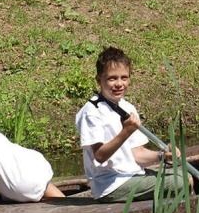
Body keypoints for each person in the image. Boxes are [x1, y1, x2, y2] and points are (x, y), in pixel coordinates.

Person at [75, 46, 189, 202]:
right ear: (99, 80)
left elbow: (137, 154)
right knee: (181, 182)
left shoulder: (126, 107)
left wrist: (162, 156)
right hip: (110, 185)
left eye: (124, 77)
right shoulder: (92, 112)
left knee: (182, 174)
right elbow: (100, 156)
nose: (119, 84)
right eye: (112, 78)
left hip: (132, 175)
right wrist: (126, 132)